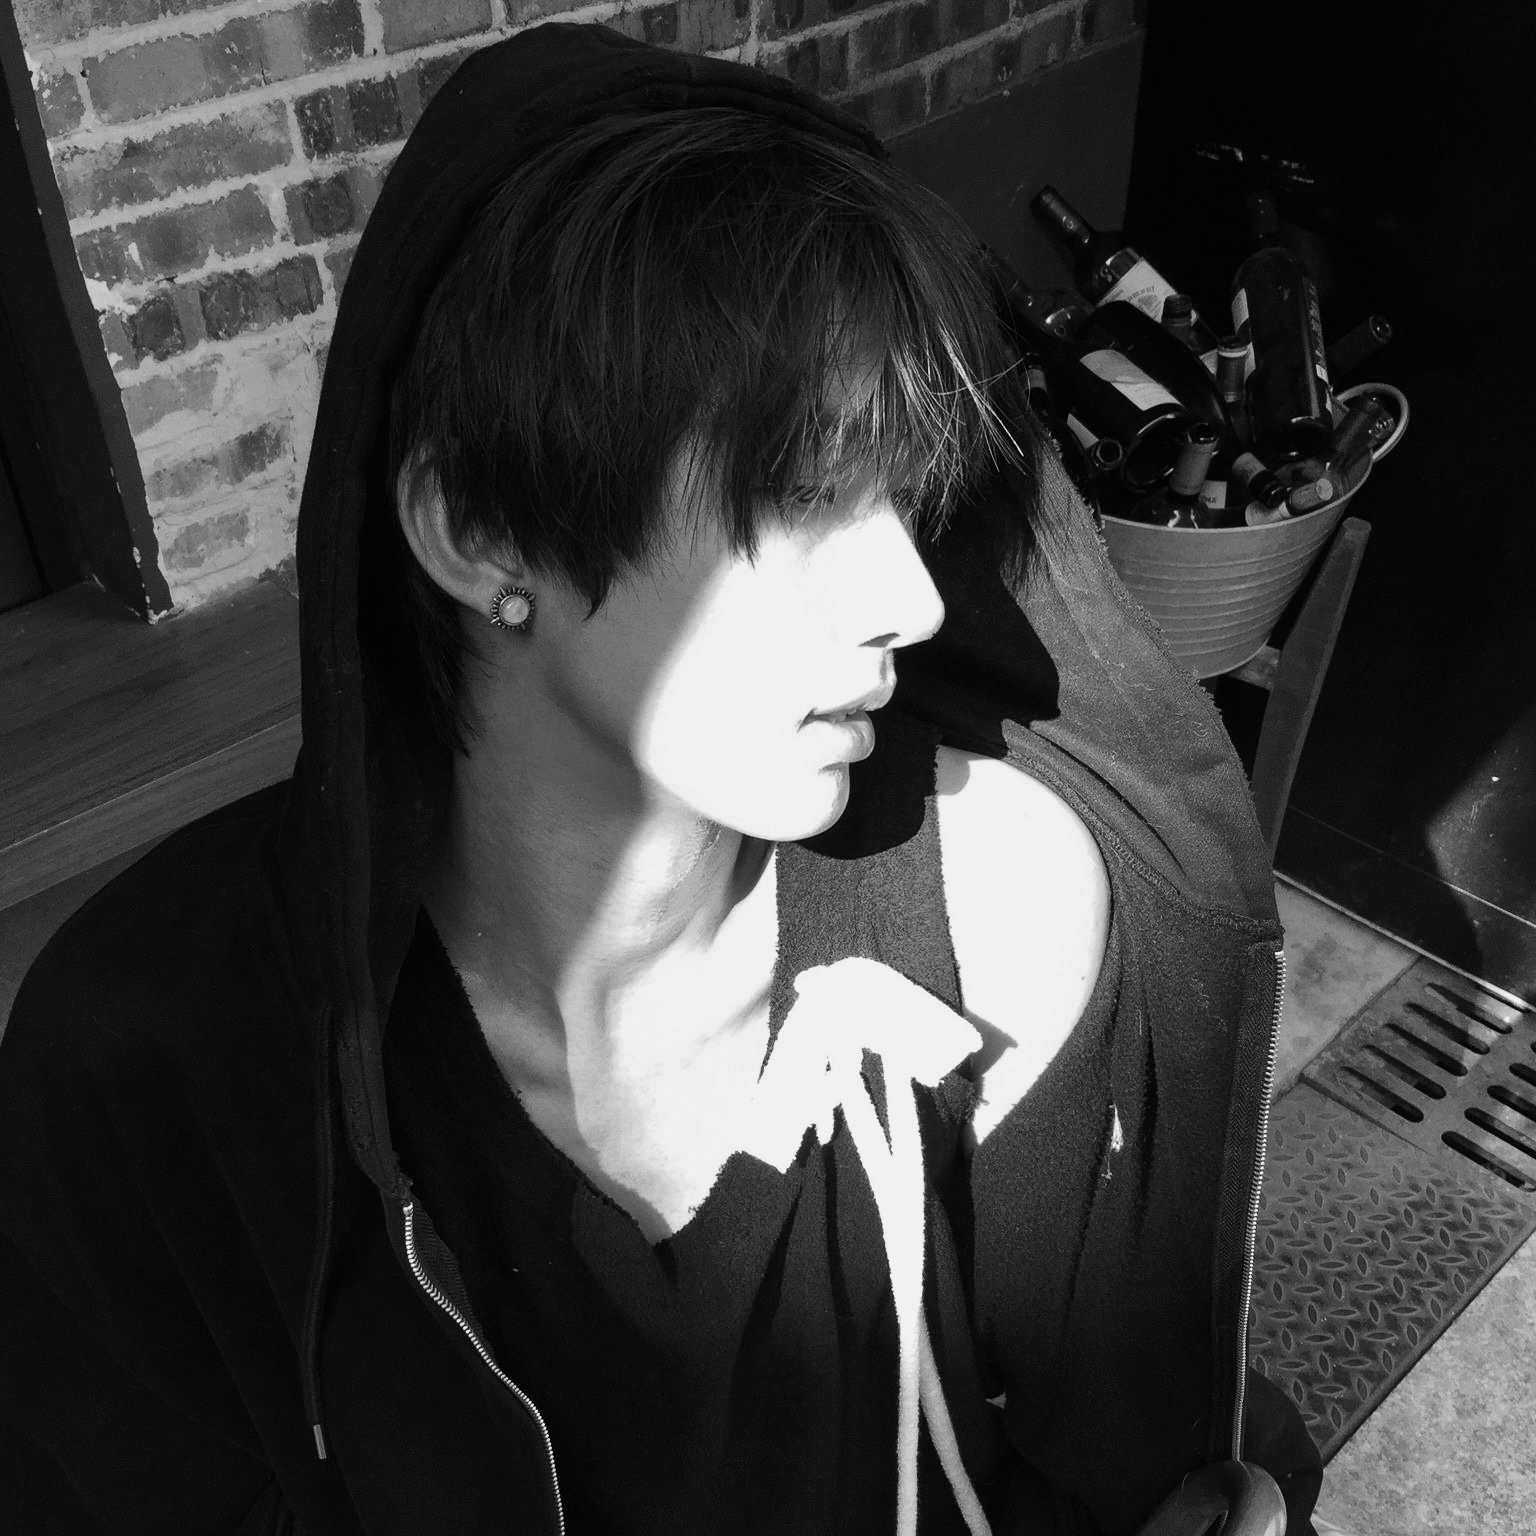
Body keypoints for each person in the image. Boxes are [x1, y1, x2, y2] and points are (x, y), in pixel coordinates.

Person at [0, 20, 1322, 1535]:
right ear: (478, 529)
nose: (911, 597)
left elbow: (1129, 1472)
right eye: (804, 494)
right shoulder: (159, 1065)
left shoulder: (997, 911)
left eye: (911, 500)